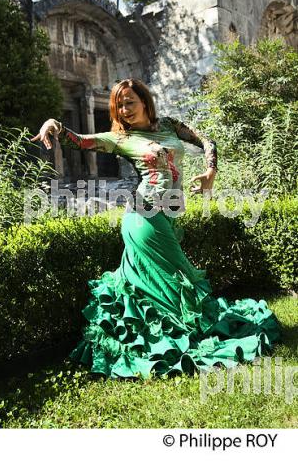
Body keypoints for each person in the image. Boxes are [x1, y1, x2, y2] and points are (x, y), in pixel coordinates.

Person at [32, 78, 280, 378]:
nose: (124, 110)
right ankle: (171, 340)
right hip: (143, 216)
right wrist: (54, 124)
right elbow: (80, 140)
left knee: (155, 282)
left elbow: (207, 141)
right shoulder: (120, 138)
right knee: (180, 274)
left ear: (144, 101)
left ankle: (154, 337)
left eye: (129, 102)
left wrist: (210, 171)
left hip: (169, 214)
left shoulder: (170, 125)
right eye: (119, 105)